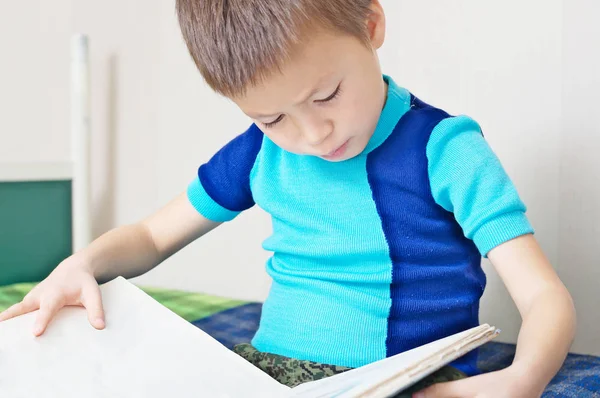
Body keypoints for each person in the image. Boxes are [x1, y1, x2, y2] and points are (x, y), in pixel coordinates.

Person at [0, 1, 575, 396]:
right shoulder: (259, 153)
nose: (312, 135)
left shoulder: (444, 149)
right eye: (272, 117)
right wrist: (82, 264)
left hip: (395, 379)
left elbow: (545, 296)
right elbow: (151, 237)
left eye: (326, 94)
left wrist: (524, 378)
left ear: (371, 24)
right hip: (266, 373)